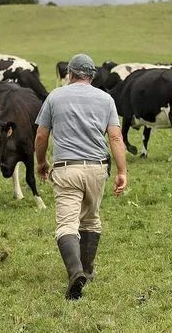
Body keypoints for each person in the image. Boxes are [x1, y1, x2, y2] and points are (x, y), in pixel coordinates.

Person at [34, 53, 128, 300]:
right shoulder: (106, 99)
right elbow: (116, 138)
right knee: (90, 221)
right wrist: (122, 171)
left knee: (66, 225)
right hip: (97, 168)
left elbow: (41, 136)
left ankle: (76, 272)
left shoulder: (55, 96)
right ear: (92, 76)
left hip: (66, 168)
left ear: (70, 73)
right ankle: (86, 270)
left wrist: (41, 162)